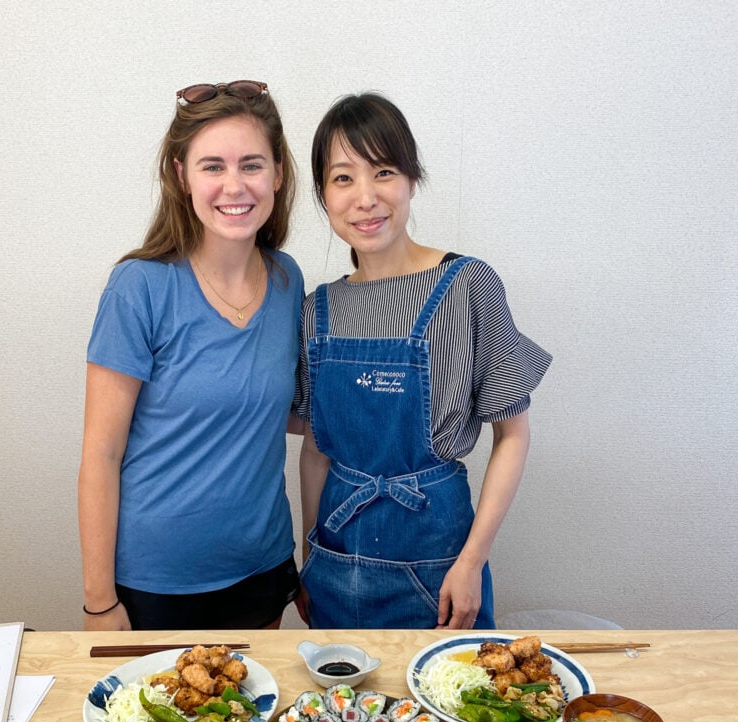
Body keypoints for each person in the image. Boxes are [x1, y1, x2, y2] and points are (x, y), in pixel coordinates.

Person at [297, 92, 552, 630]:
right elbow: (318, 448)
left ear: (412, 179)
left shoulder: (467, 286)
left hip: (441, 562)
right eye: (343, 178)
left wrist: (472, 561)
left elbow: (513, 435)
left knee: (447, 701)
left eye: (383, 171)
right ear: (323, 195)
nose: (365, 198)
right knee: (345, 713)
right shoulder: (316, 310)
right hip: (336, 558)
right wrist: (308, 551)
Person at [78, 81, 304, 630]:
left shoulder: (287, 280)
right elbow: (100, 455)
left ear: (277, 173)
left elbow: (278, 411)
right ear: (182, 176)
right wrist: (99, 601)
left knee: (263, 718)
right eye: (212, 166)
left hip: (262, 568)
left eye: (251, 164)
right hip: (154, 584)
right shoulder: (139, 287)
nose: (234, 185)